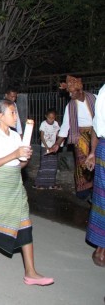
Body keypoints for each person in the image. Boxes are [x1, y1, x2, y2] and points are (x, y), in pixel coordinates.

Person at [0, 99, 54, 286]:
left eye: (16, 112)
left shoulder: (17, 136)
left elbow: (20, 164)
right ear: (0, 116)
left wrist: (24, 158)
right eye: (12, 113)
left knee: (25, 223)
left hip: (15, 184)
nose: (16, 116)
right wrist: (15, 155)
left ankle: (30, 272)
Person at [49, 75, 96, 200]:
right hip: (80, 134)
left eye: (72, 93)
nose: (70, 96)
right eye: (69, 93)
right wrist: (57, 144)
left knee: (97, 159)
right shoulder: (70, 106)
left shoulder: (94, 98)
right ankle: (83, 191)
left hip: (96, 132)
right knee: (82, 161)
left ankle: (96, 189)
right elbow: (65, 127)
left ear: (80, 91)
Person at [84, 83, 105, 267]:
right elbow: (97, 124)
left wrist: (92, 152)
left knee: (101, 198)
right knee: (101, 198)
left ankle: (100, 247)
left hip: (102, 148)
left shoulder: (103, 91)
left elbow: (95, 125)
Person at [33, 108, 62, 190]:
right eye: (49, 117)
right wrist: (46, 147)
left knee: (53, 166)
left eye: (53, 118)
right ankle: (38, 183)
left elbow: (57, 135)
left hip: (53, 147)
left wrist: (56, 145)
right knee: (44, 165)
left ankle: (51, 184)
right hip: (44, 147)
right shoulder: (43, 124)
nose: (51, 119)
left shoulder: (56, 124)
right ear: (46, 116)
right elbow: (42, 136)